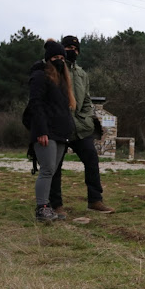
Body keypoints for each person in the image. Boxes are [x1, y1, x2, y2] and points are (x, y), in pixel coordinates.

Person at [48, 35, 115, 218]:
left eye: (76, 49)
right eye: (69, 47)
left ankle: (95, 200)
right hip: (60, 127)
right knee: (55, 167)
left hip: (80, 128)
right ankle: (56, 205)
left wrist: (86, 118)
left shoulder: (82, 74)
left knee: (91, 160)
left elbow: (86, 99)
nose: (73, 51)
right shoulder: (54, 71)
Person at [28, 39, 76, 222]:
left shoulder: (62, 81)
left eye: (61, 57)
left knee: (52, 170)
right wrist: (41, 131)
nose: (59, 60)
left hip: (61, 133)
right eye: (55, 57)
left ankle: (47, 207)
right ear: (48, 59)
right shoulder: (39, 77)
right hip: (46, 132)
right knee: (47, 169)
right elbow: (36, 105)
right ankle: (42, 208)